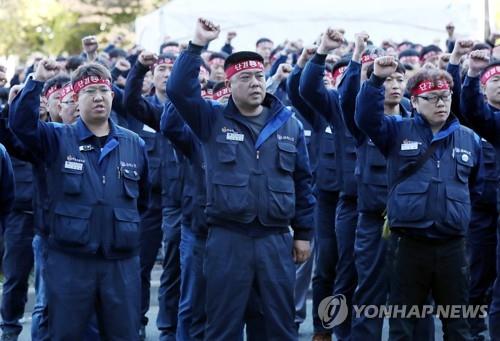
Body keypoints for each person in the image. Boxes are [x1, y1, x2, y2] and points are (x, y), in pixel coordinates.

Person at [166, 18, 315, 340]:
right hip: (227, 238)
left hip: (276, 239)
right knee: (223, 325)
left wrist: (303, 233)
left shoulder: (287, 124)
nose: (255, 83)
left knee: (278, 324)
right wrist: (196, 45)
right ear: (229, 85)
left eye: (260, 76)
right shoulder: (211, 119)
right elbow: (178, 90)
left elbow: (303, 181)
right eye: (245, 77)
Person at [10, 60, 150, 339]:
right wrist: (35, 81)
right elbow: (20, 125)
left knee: (124, 334)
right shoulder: (57, 137)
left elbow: (141, 202)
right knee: (68, 334)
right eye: (89, 92)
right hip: (70, 261)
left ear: (112, 95)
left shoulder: (134, 143)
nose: (98, 97)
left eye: (103, 90)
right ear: (75, 98)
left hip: (120, 263)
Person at [356, 56, 483, 340]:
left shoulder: (468, 138)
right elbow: (365, 118)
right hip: (408, 245)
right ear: (414, 102)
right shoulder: (395, 131)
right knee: (403, 325)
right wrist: (376, 80)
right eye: (432, 97)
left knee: (458, 325)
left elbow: (476, 186)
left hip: (452, 246)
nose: (441, 103)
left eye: (445, 96)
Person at [123, 50, 183, 340]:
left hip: (177, 198)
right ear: (153, 77)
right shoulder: (147, 108)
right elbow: (129, 100)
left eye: (172, 71)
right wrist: (138, 68)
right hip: (146, 201)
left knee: (173, 266)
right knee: (141, 265)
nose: (166, 75)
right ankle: (137, 321)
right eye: (160, 70)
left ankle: (168, 326)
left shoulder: (187, 109)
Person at [460, 50, 500, 341]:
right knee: (480, 272)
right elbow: (472, 109)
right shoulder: (481, 119)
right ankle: (472, 327)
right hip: (480, 209)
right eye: (494, 79)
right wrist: (472, 75)